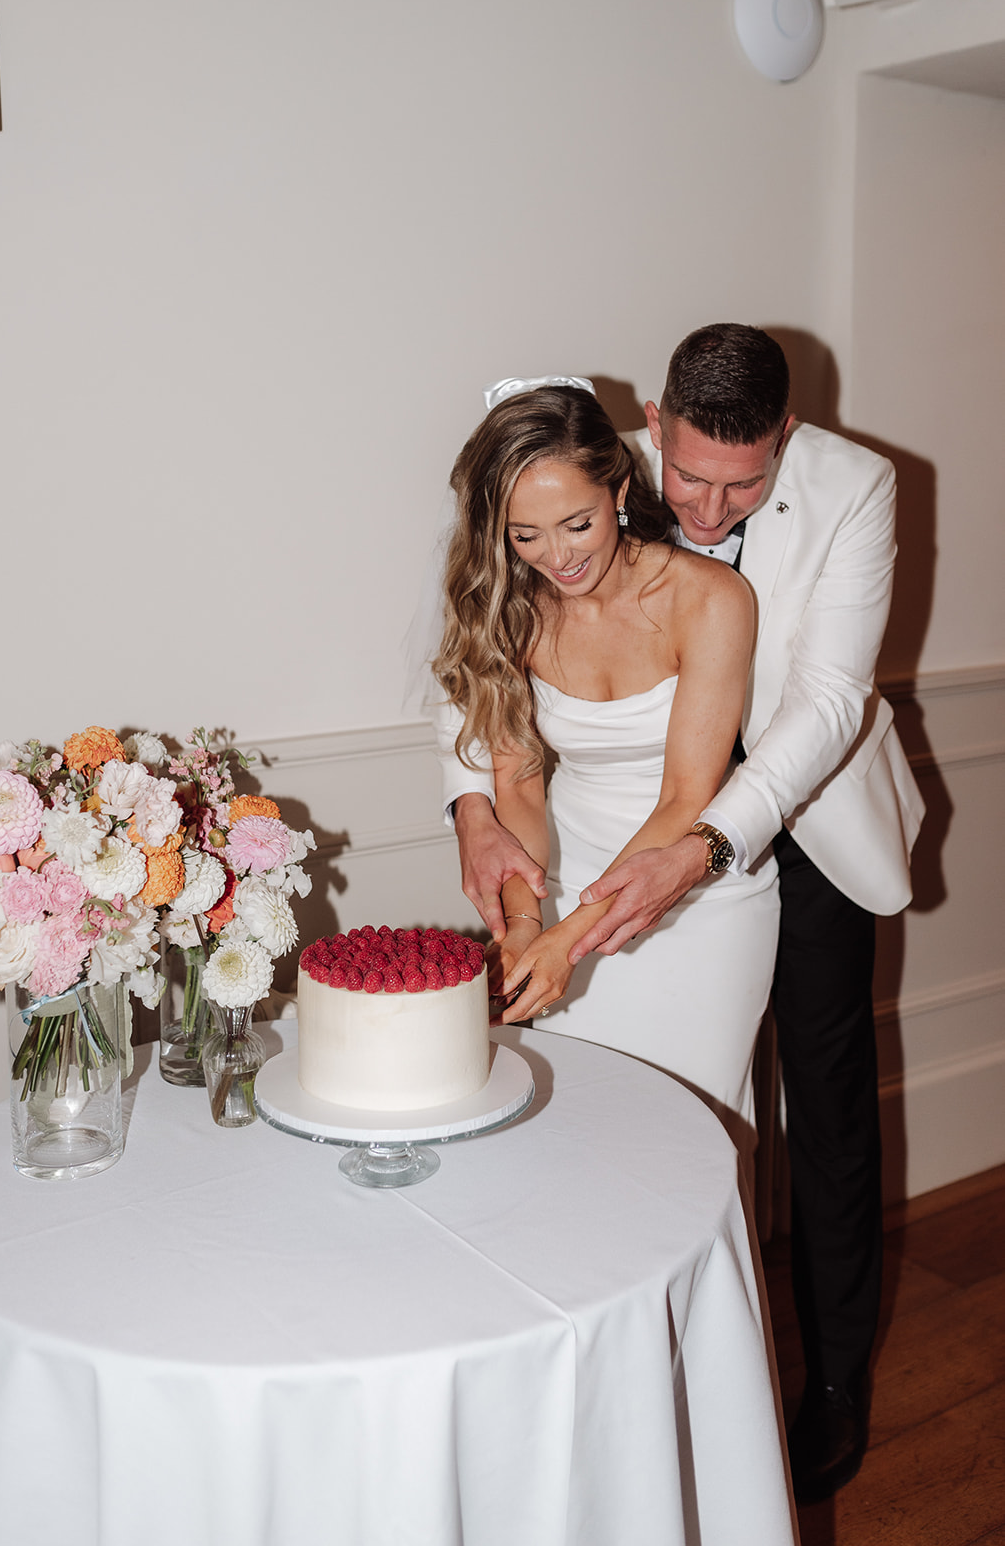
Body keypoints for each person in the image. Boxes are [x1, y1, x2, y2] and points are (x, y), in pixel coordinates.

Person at [438, 329, 925, 1505]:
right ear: (650, 431)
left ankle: (824, 1387)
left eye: (741, 484)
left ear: (786, 442)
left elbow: (819, 705)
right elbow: (493, 731)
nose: (704, 506)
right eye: (687, 476)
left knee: (817, 1112)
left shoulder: (854, 489)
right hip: (614, 836)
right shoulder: (570, 489)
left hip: (791, 816)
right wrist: (501, 864)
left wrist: (702, 845)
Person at [430, 377, 780, 1166]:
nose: (557, 557)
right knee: (578, 1142)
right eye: (525, 536)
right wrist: (526, 927)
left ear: (620, 486)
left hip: (697, 898)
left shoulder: (709, 598)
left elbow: (687, 797)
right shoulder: (515, 609)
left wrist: (568, 943)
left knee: (694, 1145)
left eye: (576, 524)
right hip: (569, 871)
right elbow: (518, 788)